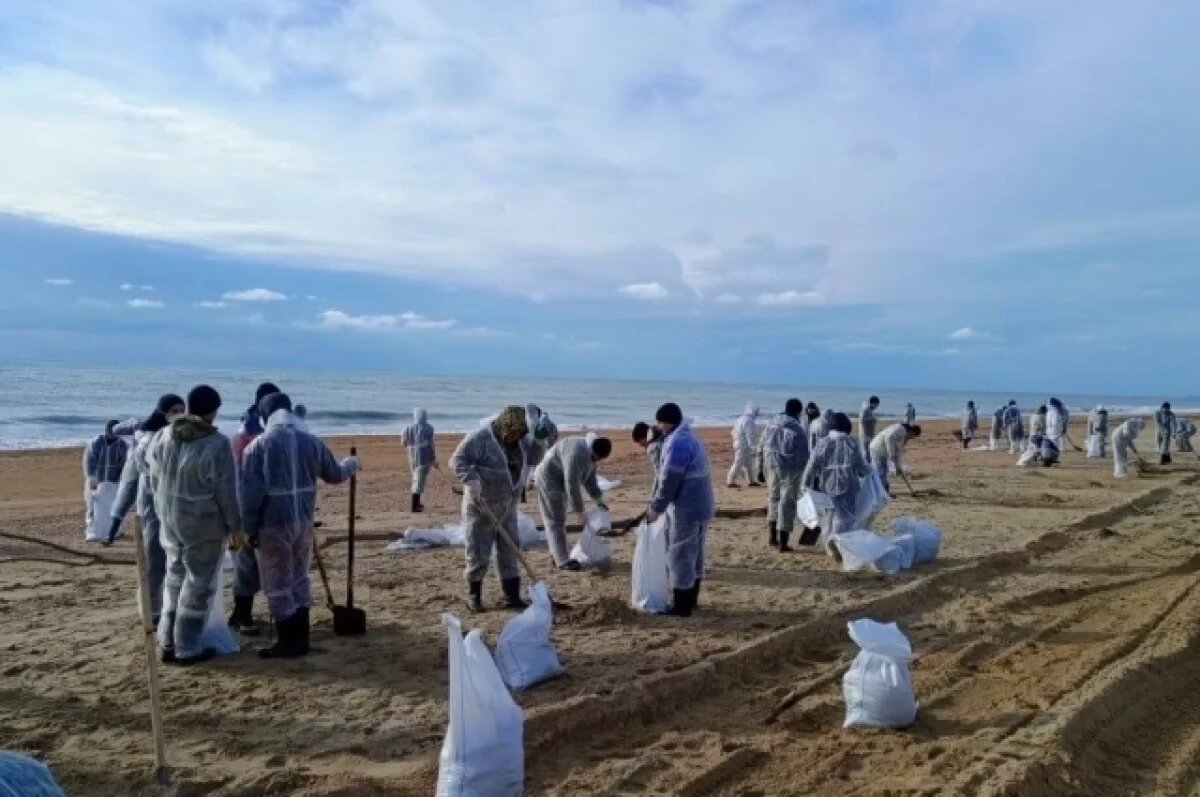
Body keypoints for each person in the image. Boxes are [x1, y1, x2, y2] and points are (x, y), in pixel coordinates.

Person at [239, 392, 360, 659]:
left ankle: (289, 640)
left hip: (272, 524)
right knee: (299, 576)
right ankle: (301, 636)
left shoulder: (257, 447)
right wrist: (352, 464)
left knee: (277, 581)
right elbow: (335, 474)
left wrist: (248, 529)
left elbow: (250, 497)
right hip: (303, 522)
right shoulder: (311, 442)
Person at [146, 385, 243, 666]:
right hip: (203, 524)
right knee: (199, 584)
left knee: (174, 578)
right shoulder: (216, 443)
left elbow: (153, 478)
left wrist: (162, 511)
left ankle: (167, 641)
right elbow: (226, 491)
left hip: (169, 519)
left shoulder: (165, 435)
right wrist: (235, 527)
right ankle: (187, 646)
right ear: (213, 411)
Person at [105, 395, 186, 627]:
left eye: (182, 410)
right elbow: (132, 481)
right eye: (174, 410)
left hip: (173, 510)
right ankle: (151, 610)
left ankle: (169, 608)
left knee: (174, 562)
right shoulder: (147, 438)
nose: (179, 414)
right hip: (152, 508)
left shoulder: (178, 436)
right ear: (162, 411)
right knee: (154, 561)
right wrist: (116, 517)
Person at [451, 406, 533, 613]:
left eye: (519, 434)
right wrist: (471, 480)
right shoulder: (480, 438)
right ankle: (474, 596)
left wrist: (540, 441)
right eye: (512, 433)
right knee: (478, 550)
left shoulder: (522, 442)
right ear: (504, 426)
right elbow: (458, 460)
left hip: (507, 505)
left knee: (510, 548)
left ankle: (511, 596)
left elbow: (533, 459)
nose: (515, 438)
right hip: (481, 505)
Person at [646, 403, 714, 618]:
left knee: (681, 554)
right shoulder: (689, 437)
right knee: (695, 553)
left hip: (687, 507)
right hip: (701, 505)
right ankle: (691, 601)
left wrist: (656, 508)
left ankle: (681, 607)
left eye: (660, 423)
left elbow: (669, 480)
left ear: (667, 422)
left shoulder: (677, 442)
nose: (659, 427)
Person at [227, 381, 280, 637]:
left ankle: (239, 614)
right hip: (244, 508)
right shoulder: (245, 435)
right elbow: (241, 481)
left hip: (268, 507)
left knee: (256, 566)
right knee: (245, 563)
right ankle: (242, 616)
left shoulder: (269, 430)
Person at [536, 436, 611, 570]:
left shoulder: (590, 455)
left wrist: (598, 499)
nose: (595, 461)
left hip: (559, 480)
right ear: (592, 451)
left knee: (559, 518)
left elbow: (590, 479)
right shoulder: (577, 454)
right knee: (555, 520)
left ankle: (556, 553)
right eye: (595, 458)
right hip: (548, 479)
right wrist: (579, 511)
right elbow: (572, 484)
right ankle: (562, 560)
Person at [803, 411, 870, 539]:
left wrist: (805, 484)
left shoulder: (823, 443)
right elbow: (861, 465)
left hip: (827, 485)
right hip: (848, 485)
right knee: (846, 516)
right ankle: (839, 540)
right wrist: (871, 474)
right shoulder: (851, 442)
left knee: (829, 513)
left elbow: (811, 465)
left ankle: (828, 538)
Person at [760, 399, 809, 551]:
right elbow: (803, 456)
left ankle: (772, 537)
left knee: (773, 499)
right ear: (798, 412)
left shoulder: (771, 423)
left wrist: (760, 467)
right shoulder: (797, 429)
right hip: (791, 470)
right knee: (787, 503)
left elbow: (762, 445)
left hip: (771, 466)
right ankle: (783, 542)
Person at [83, 420, 130, 541]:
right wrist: (92, 478)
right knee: (93, 505)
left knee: (114, 505)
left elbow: (124, 465)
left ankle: (115, 530)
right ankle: (92, 531)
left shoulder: (122, 445)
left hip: (114, 482)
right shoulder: (96, 442)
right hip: (97, 481)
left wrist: (121, 480)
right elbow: (89, 461)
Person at [401, 407, 437, 513]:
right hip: (424, 457)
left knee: (416, 478)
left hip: (412, 457)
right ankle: (415, 505)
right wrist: (433, 457)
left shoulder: (408, 428)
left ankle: (417, 504)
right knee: (419, 481)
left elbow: (403, 443)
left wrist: (413, 445)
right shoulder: (429, 428)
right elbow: (431, 445)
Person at [870, 423, 921, 495]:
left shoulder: (904, 436)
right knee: (880, 471)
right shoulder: (900, 430)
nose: (911, 438)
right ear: (911, 432)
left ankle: (884, 491)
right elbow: (889, 437)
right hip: (877, 449)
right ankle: (880, 493)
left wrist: (897, 467)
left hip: (882, 451)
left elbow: (897, 452)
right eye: (913, 436)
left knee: (884, 471)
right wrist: (891, 453)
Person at [726, 404, 761, 488]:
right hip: (744, 445)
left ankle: (751, 481)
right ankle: (730, 480)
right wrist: (754, 447)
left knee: (748, 464)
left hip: (739, 443)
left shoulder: (740, 419)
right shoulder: (749, 421)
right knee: (738, 463)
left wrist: (736, 441)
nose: (757, 414)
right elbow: (750, 435)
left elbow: (733, 432)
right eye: (756, 412)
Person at [631, 422, 663, 487]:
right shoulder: (662, 438)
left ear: (645, 437)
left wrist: (656, 492)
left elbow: (659, 473)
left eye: (639, 441)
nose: (640, 445)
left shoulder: (653, 447)